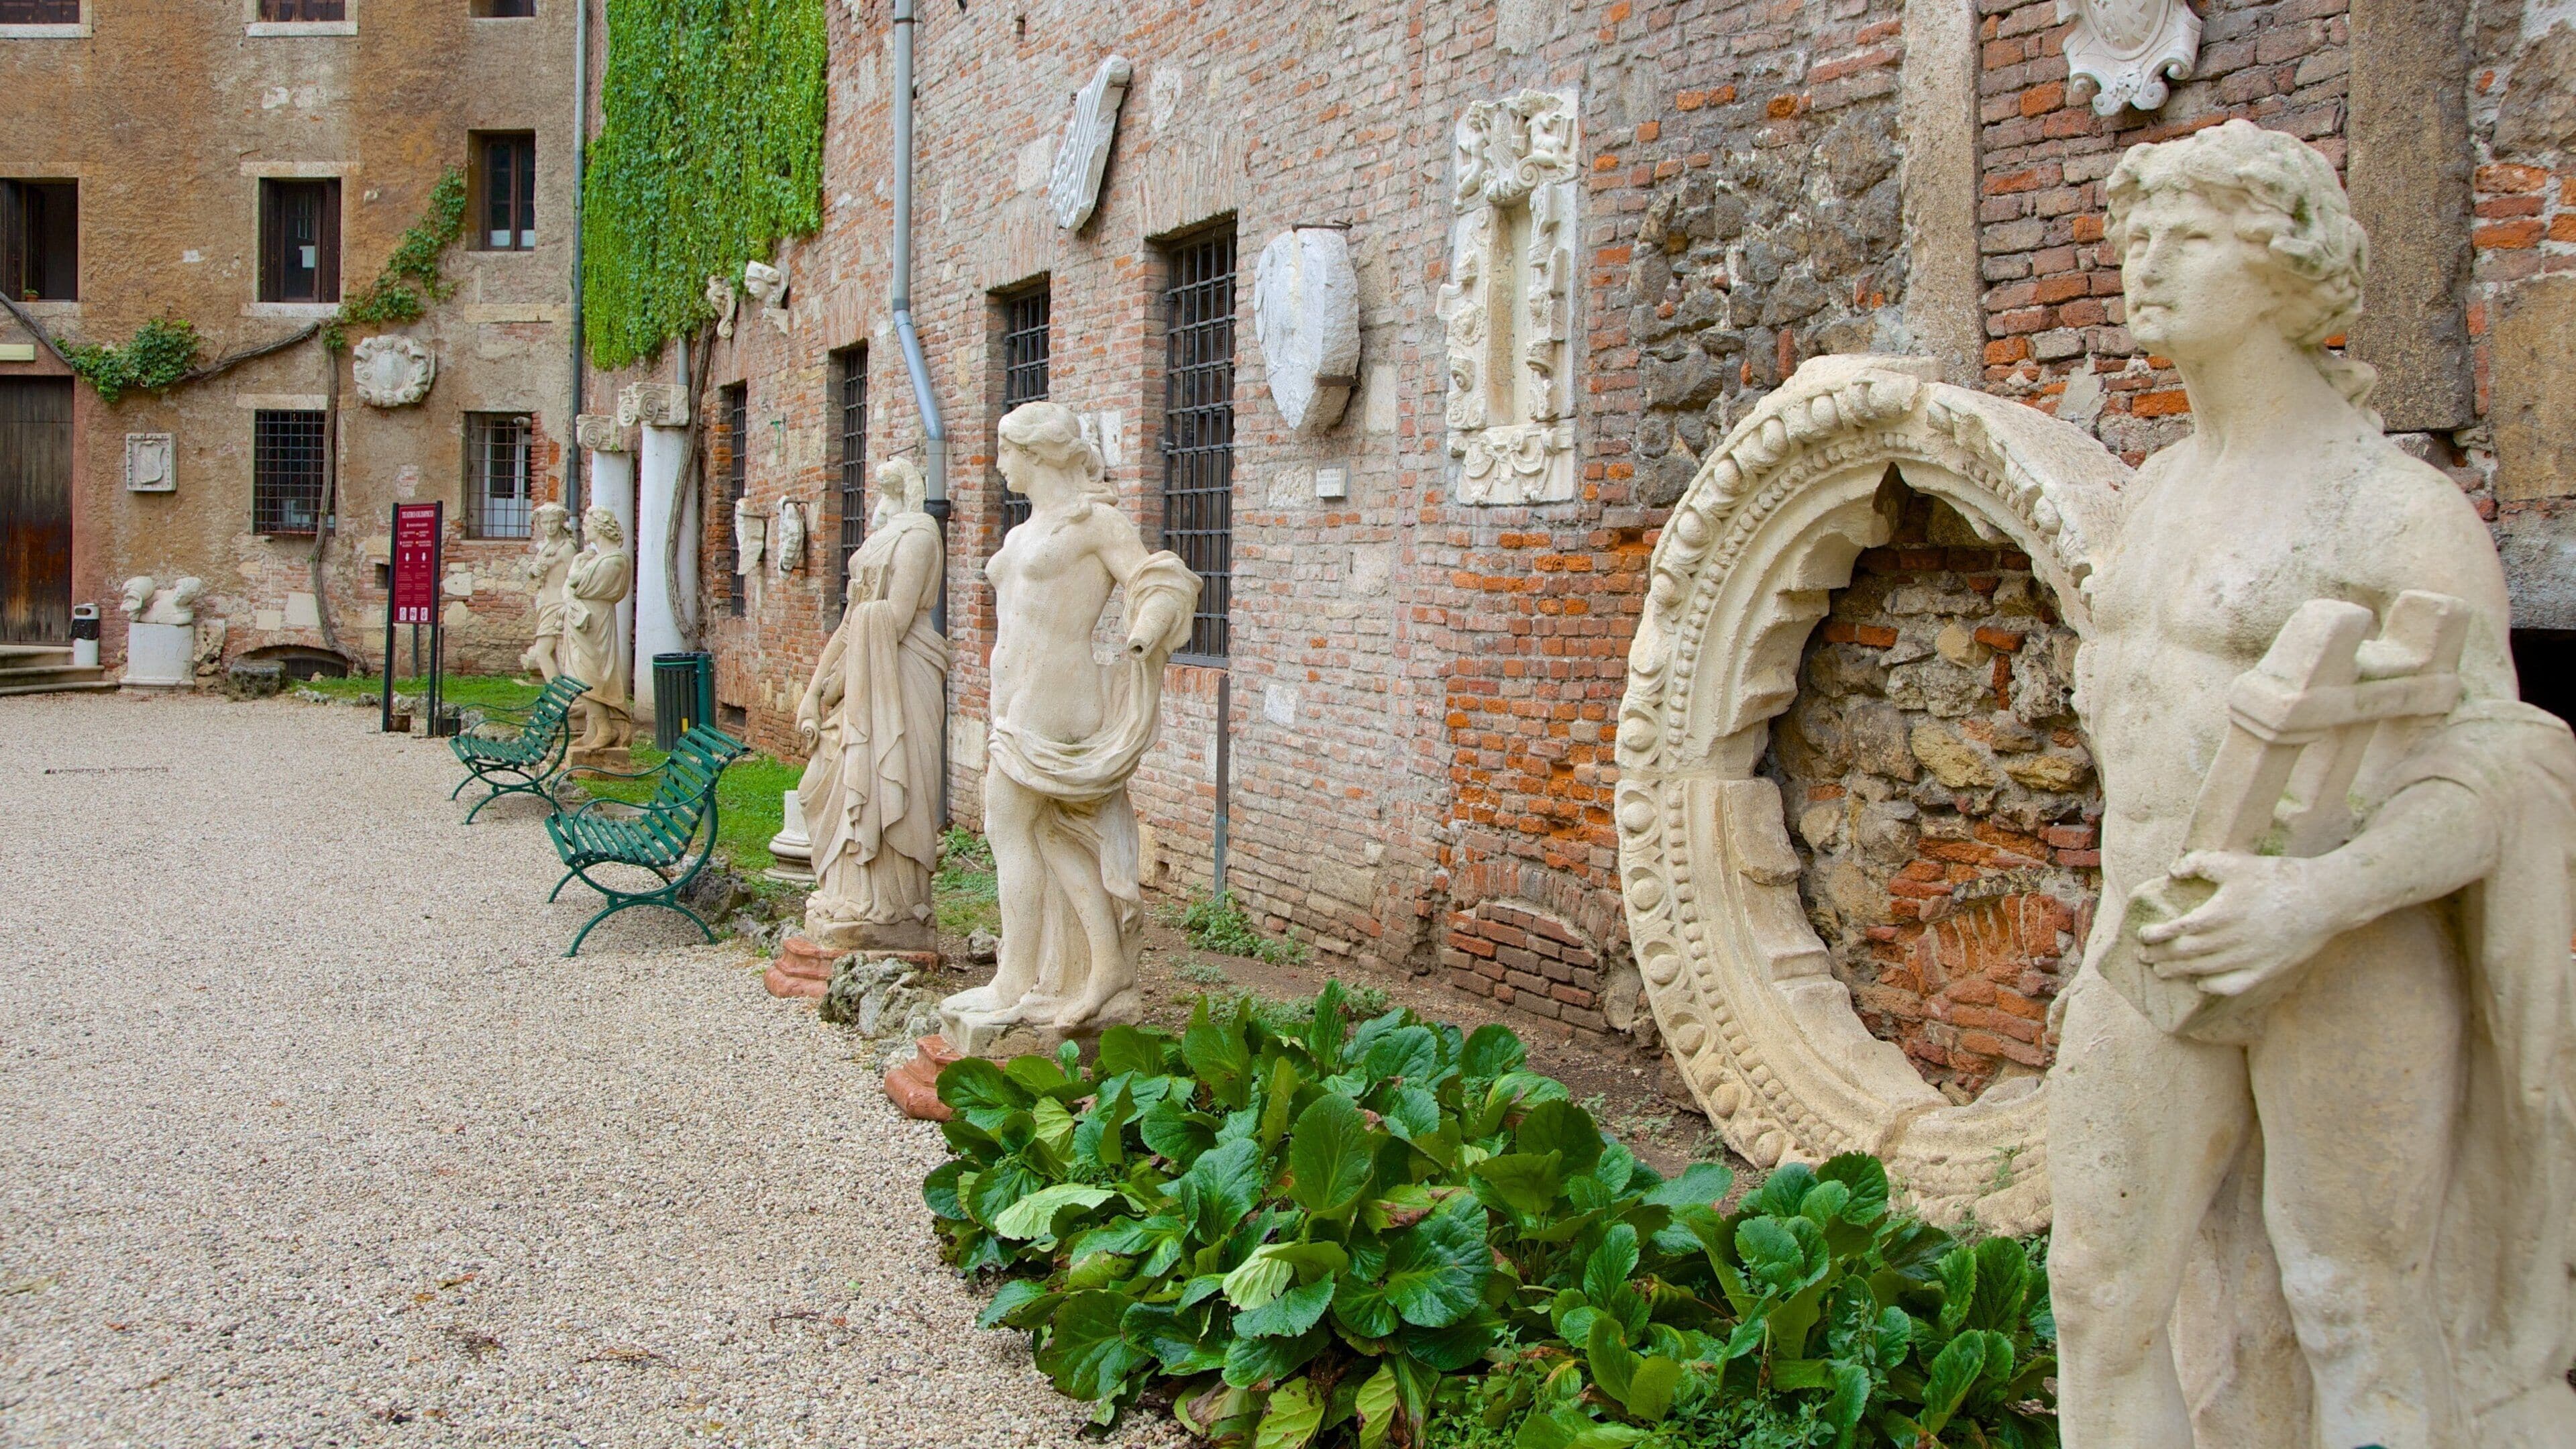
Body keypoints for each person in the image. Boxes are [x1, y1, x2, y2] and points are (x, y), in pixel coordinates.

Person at [2048, 119, 2576, 1448]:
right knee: (2099, 1297)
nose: (2144, 264)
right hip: (2150, 939)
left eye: (2192, 236)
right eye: (2135, 237)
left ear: (2285, 267)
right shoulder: (2152, 493)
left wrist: (2316, 898)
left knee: (2355, 1306)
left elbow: (2490, 768)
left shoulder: (2390, 507)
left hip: (2347, 951)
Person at [941, 401, 1198, 1032]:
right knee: (1053, 837)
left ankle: (1013, 980)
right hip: (1016, 701)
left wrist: (1145, 631)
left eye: (1006, 452)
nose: (999, 466)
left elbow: (1158, 580)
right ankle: (1104, 967)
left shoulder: (1095, 522)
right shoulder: (1022, 533)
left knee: (1008, 827)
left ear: (1037, 454)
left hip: (1057, 703)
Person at [793, 459, 948, 949]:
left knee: (894, 782)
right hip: (866, 678)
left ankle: (893, 907)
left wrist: (835, 688)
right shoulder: (878, 542)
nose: (879, 500)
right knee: (827, 773)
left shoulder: (921, 538)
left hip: (903, 676)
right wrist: (814, 693)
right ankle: (848, 894)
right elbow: (849, 623)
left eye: (888, 488)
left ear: (906, 492)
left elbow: (895, 619)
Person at [561, 506, 634, 758]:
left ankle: (606, 729)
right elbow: (571, 587)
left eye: (588, 523)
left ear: (601, 526)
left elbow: (576, 586)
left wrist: (573, 574)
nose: (584, 528)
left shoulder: (614, 560)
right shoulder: (595, 559)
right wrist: (573, 577)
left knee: (594, 673)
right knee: (582, 673)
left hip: (595, 622)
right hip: (583, 622)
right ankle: (594, 728)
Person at [519, 502, 576, 682]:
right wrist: (532, 570)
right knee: (554, 654)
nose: (549, 526)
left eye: (553, 522)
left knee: (543, 652)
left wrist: (568, 603)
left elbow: (574, 578)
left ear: (560, 523)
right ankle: (561, 695)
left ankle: (558, 695)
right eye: (545, 523)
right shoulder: (544, 547)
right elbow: (533, 568)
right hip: (545, 603)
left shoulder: (567, 548)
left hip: (558, 605)